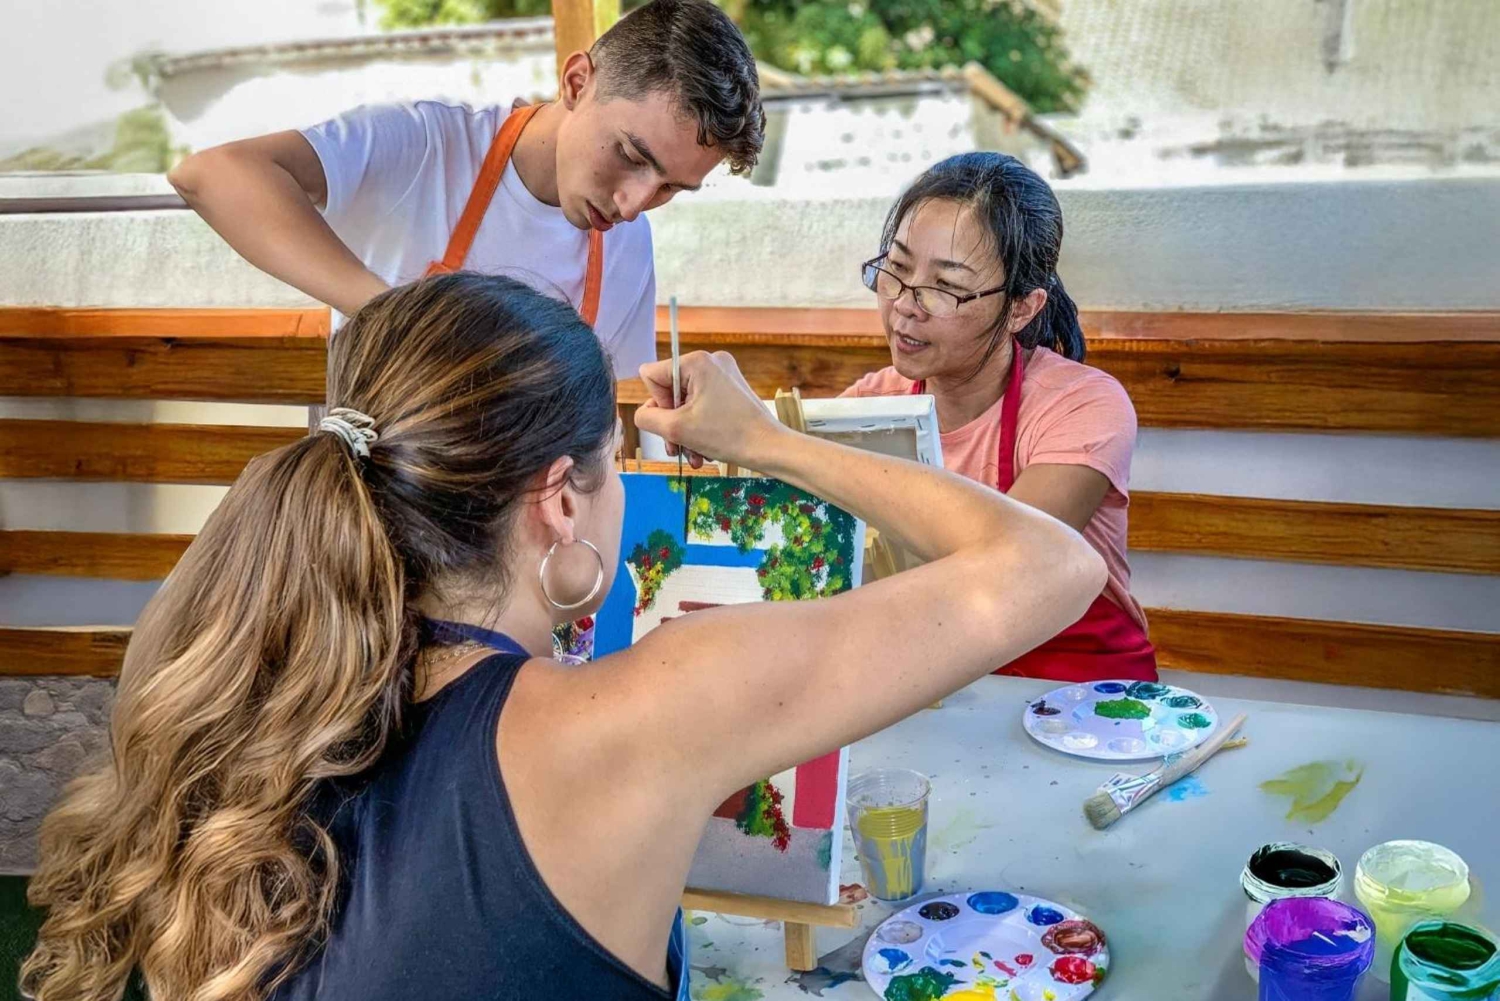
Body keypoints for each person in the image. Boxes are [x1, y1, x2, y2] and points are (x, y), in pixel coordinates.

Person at [21, 273, 1104, 1001]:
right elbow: (1053, 565)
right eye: (613, 460)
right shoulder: (627, 720)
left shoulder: (241, 685)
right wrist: (768, 442)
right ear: (558, 499)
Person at [167, 0, 763, 378]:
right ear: (578, 82)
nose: (634, 205)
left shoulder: (628, 248)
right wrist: (394, 313)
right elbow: (214, 174)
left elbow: (621, 416)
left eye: (670, 188)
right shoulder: (428, 144)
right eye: (631, 155)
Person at [844, 152, 1157, 682]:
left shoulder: (1082, 406)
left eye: (945, 287)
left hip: (1079, 698)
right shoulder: (869, 407)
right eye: (896, 269)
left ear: (1021, 308)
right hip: (935, 684)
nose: (906, 305)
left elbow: (1012, 566)